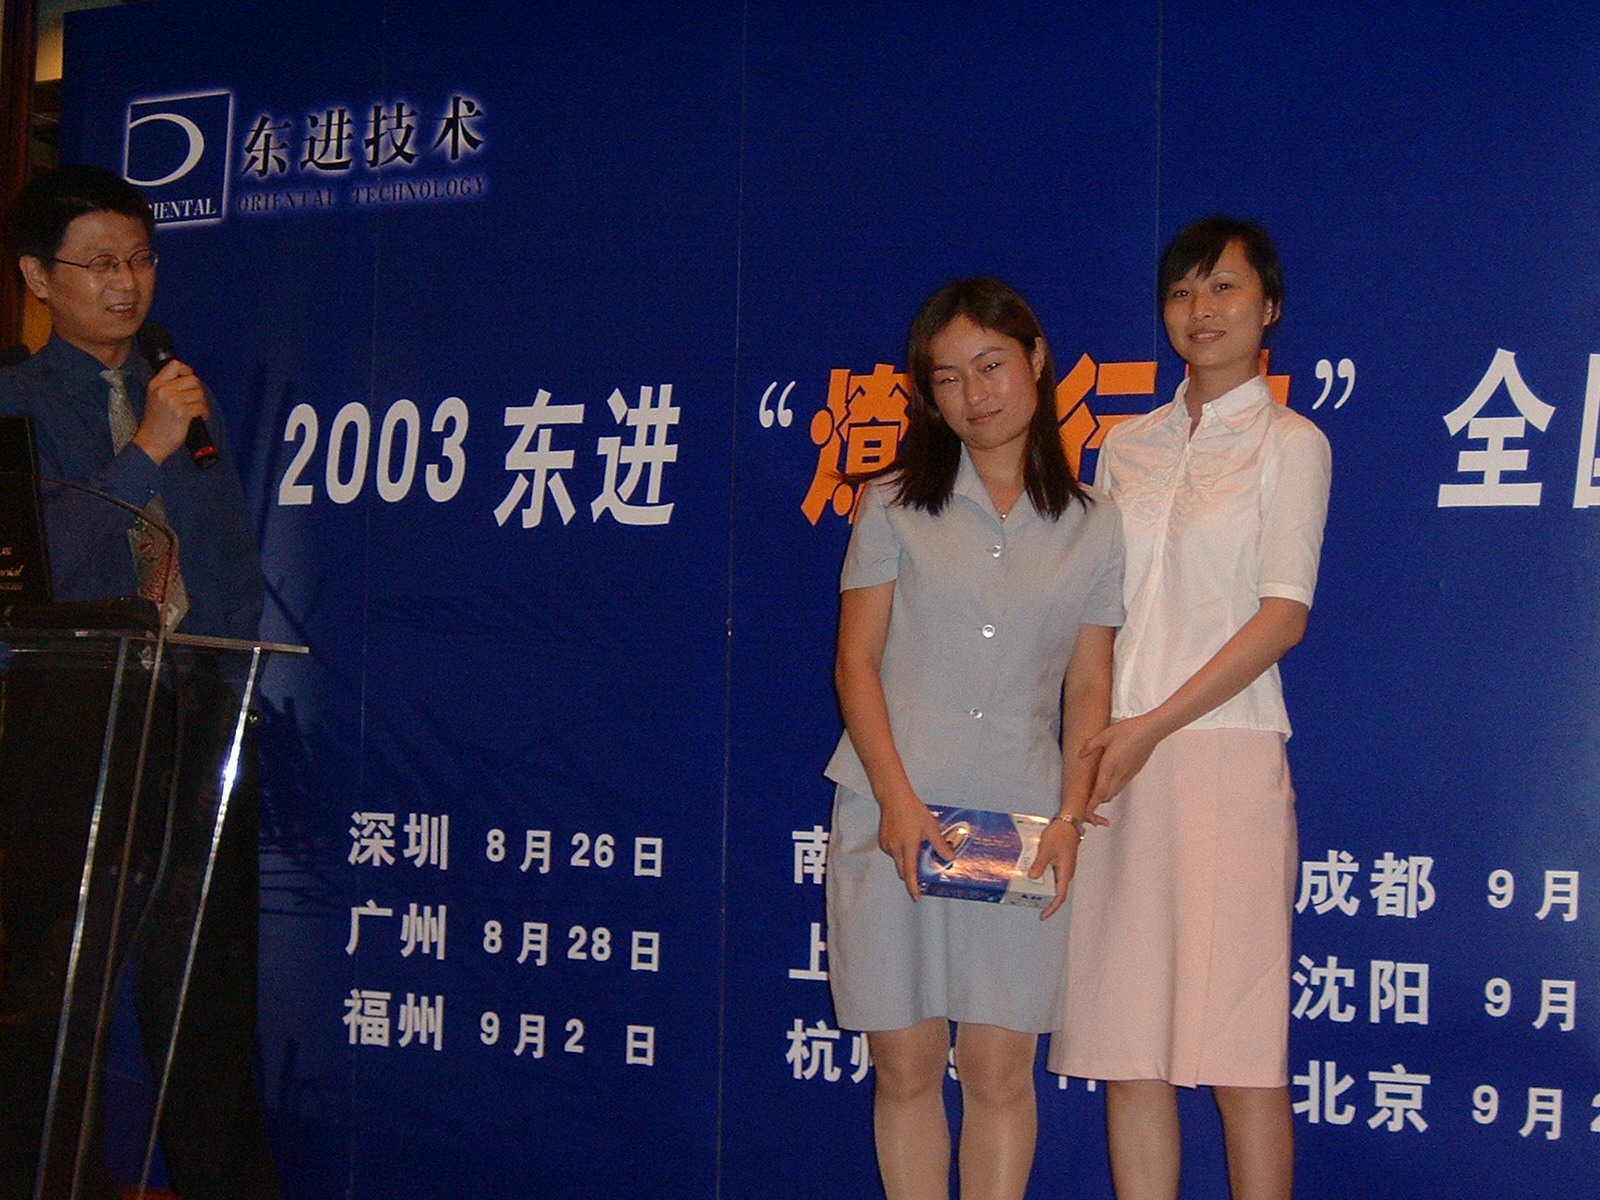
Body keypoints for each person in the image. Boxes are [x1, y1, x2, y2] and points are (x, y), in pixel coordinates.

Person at [0, 165, 279, 1199]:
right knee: (60, 988)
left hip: (199, 708)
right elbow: (42, 569)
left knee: (208, 988)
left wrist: (229, 672)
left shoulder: (176, 390)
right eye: (98, 263)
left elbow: (225, 555)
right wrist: (145, 449)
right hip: (78, 715)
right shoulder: (15, 401)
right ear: (39, 276)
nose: (126, 283)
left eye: (140, 259)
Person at [1049, 217, 1332, 1200]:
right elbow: (1096, 617)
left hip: (1223, 758)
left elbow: (1283, 616)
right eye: (1181, 292)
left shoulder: (1292, 444)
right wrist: (1088, 757)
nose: (1200, 310)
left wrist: (1149, 728)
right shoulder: (1123, 446)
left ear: (1269, 307)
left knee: (1240, 1055)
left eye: (1223, 288)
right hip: (1114, 763)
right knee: (1129, 1049)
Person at [824, 277, 1123, 1200]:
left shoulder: (1092, 522)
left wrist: (1072, 816)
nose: (975, 394)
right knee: (906, 1068)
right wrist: (898, 802)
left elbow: (1089, 684)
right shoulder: (891, 503)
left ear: (1036, 359)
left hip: (1018, 820)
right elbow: (856, 664)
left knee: (999, 1073)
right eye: (948, 379)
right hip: (894, 814)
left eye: (991, 365)